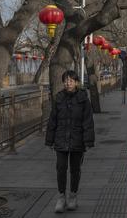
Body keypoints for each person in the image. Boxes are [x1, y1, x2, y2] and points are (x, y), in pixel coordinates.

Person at [46, 70, 95, 213]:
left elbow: (88, 121)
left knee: (75, 169)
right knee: (61, 169)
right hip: (60, 139)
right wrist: (49, 140)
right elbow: (52, 120)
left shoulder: (83, 98)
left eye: (71, 80)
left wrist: (88, 140)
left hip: (77, 140)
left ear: (76, 82)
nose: (68, 83)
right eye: (66, 80)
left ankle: (73, 195)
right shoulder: (59, 98)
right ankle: (61, 197)